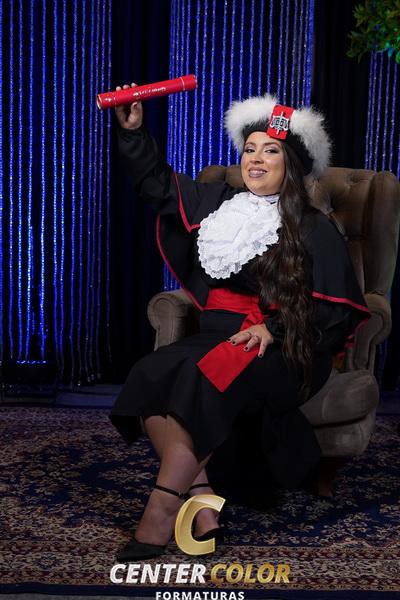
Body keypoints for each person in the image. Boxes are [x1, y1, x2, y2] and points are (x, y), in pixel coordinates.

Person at [109, 86, 370, 561]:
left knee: (201, 380)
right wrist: (133, 133)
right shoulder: (218, 203)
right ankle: (202, 500)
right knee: (151, 374)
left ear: (291, 163)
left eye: (270, 150)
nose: (255, 159)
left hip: (284, 348)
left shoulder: (314, 227)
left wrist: (275, 329)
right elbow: (157, 185)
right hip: (216, 337)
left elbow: (335, 310)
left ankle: (160, 510)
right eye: (250, 149)